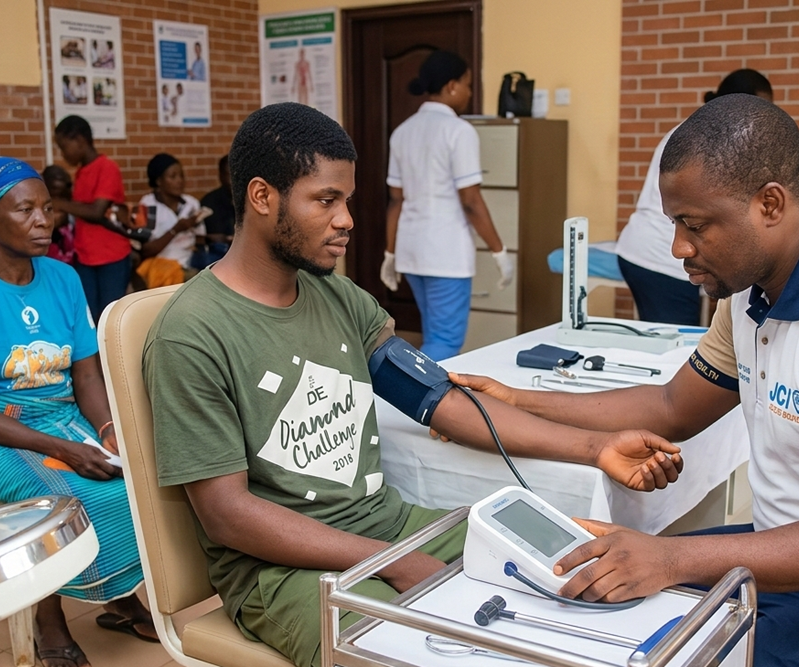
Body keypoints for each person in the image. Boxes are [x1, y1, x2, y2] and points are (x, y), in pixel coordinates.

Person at [143, 102, 685, 667]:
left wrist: (595, 448)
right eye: (326, 200)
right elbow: (227, 514)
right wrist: (393, 562)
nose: (347, 219)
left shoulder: (338, 298)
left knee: (575, 577)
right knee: (413, 654)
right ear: (262, 197)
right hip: (281, 571)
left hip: (388, 528)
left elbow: (443, 402)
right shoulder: (192, 335)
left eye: (347, 200)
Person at [451, 95, 799, 666]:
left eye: (694, 224)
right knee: (588, 591)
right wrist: (518, 398)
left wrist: (671, 560)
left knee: (645, 644)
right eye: (675, 222)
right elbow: (671, 405)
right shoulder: (753, 293)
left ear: (769, 204)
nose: (678, 247)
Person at [0, 157, 157, 667]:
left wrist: (105, 429)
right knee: (54, 500)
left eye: (48, 208)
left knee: (133, 478)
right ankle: (47, 622)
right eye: (25, 209)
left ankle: (117, 596)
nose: (43, 220)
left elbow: (86, 376)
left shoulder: (63, 278)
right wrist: (65, 449)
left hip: (61, 417)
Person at [381, 50, 513, 360]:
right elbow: (471, 201)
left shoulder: (402, 132)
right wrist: (499, 250)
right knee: (445, 341)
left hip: (412, 252)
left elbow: (396, 200)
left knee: (433, 333)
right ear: (452, 86)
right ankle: (413, 402)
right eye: (468, 84)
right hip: (445, 255)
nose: (469, 92)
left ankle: (424, 401)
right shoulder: (459, 131)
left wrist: (390, 252)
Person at [613, 69, 773, 325]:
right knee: (675, 348)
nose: (767, 117)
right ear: (738, 103)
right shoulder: (716, 139)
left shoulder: (699, 130)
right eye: (762, 107)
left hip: (646, 248)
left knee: (668, 343)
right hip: (660, 258)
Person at [52, 115, 132, 322]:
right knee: (88, 317)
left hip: (111, 255)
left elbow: (97, 212)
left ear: (80, 140)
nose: (62, 153)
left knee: (109, 318)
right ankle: (94, 356)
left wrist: (59, 203)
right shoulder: (81, 172)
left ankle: (112, 356)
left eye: (63, 147)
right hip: (85, 255)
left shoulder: (107, 167)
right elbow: (80, 210)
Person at [134, 153, 203, 288]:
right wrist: (175, 230)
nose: (180, 181)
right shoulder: (146, 206)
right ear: (159, 181)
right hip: (161, 267)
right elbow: (144, 251)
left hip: (190, 263)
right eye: (173, 176)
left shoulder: (191, 204)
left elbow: (200, 239)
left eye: (182, 176)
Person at [195, 154, 235, 268]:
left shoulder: (250, 198)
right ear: (221, 176)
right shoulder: (209, 202)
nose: (233, 180)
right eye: (229, 175)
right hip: (216, 254)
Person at [43, 165, 76, 264]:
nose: (58, 193)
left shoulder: (71, 204)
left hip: (71, 258)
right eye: (54, 189)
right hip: (49, 258)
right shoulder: (41, 204)